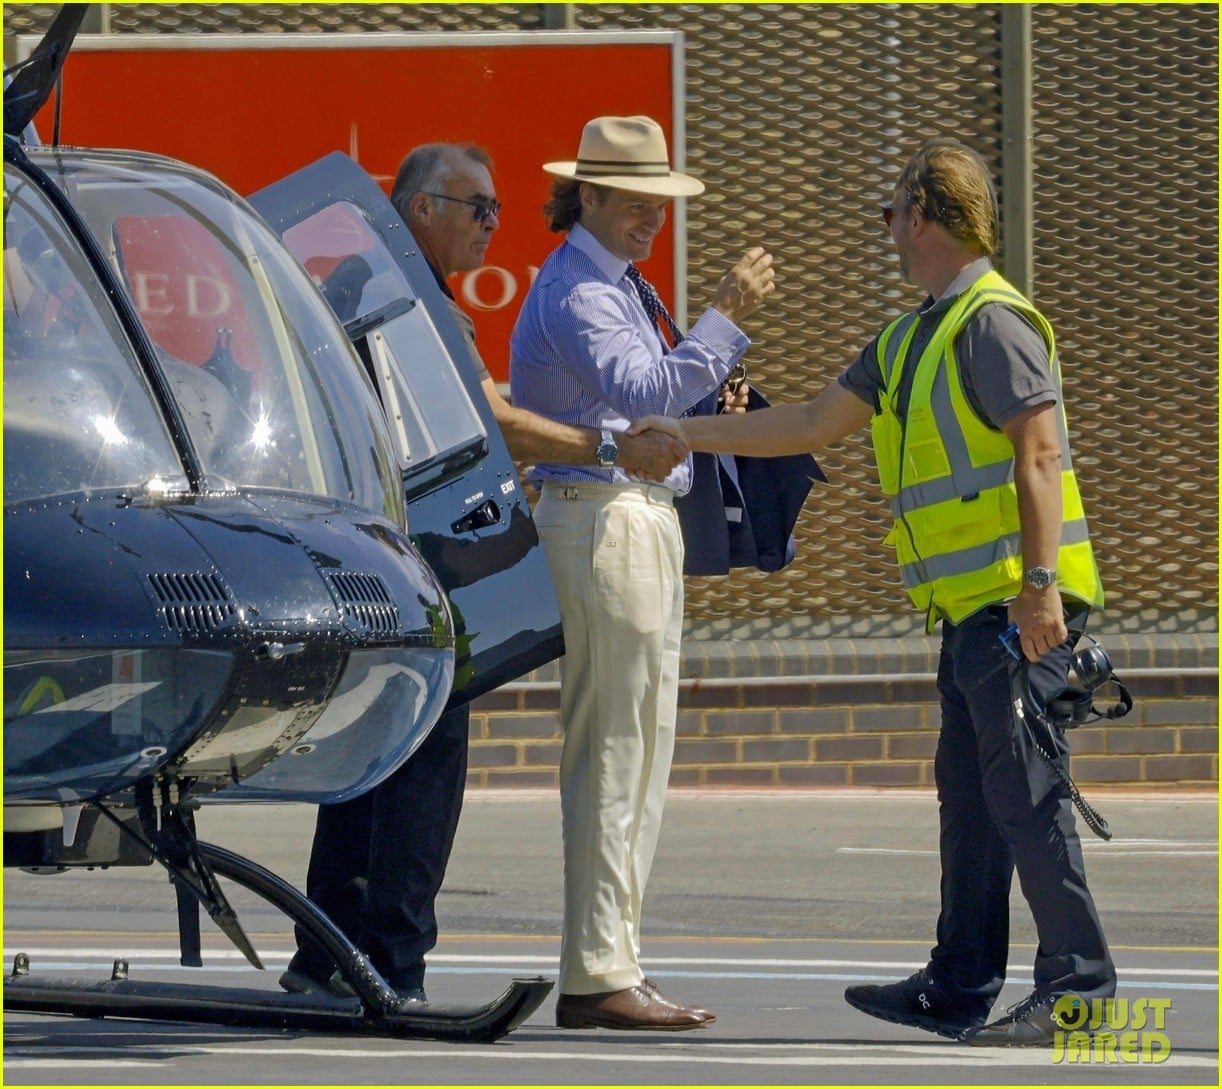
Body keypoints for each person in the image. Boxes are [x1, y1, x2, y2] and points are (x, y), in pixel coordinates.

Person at [632, 136, 1115, 1046]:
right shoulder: (908, 339)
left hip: (1020, 609)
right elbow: (813, 421)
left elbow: (1039, 452)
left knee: (1028, 796)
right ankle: (959, 981)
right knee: (972, 801)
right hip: (972, 615)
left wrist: (1043, 590)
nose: (886, 230)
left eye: (891, 213)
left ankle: (1080, 988)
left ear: (923, 214)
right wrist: (686, 432)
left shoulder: (991, 321)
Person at [280, 142, 688, 1005]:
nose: (493, 224)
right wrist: (608, 445)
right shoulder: (409, 301)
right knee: (426, 757)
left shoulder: (350, 291)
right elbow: (489, 419)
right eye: (478, 206)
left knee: (367, 756)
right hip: (413, 567)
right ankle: (393, 966)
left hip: (361, 556)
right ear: (420, 209)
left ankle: (323, 957)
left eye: (499, 208)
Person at [508, 115, 774, 1031]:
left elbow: (657, 393)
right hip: (602, 516)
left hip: (626, 516)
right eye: (633, 204)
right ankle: (596, 969)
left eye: (657, 205)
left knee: (638, 749)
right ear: (587, 196)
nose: (650, 220)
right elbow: (650, 394)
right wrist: (726, 315)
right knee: (618, 750)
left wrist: (708, 375)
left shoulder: (610, 284)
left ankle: (611, 959)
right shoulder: (582, 291)